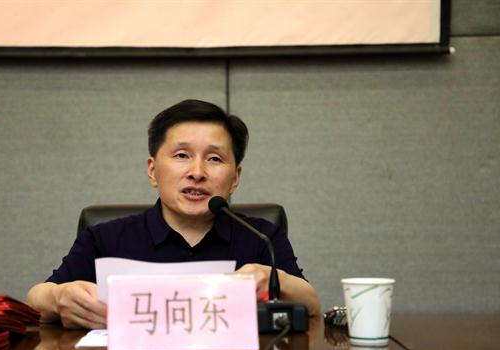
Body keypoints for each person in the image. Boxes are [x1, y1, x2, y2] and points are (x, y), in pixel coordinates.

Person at [27, 99, 320, 329]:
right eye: (182, 155)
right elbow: (35, 300)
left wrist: (273, 278)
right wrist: (58, 297)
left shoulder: (261, 237)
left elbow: (312, 304)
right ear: (152, 170)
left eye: (214, 159)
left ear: (235, 178)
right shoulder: (105, 238)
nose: (197, 172)